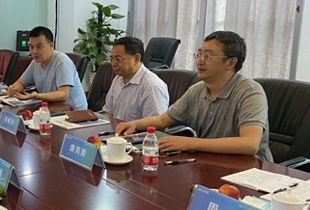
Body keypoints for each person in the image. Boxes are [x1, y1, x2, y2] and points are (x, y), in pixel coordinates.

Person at [116, 31, 273, 161]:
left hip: (250, 171)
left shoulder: (250, 92)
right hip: (210, 162)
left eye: (208, 56)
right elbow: (163, 120)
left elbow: (249, 144)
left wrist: (190, 143)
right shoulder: (197, 90)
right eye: (198, 54)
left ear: (230, 63)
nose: (199, 61)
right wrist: (135, 124)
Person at [6, 26, 88, 110]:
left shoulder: (62, 62)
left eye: (39, 47)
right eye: (31, 47)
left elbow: (63, 94)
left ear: (51, 46)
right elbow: (21, 83)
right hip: (52, 107)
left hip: (74, 111)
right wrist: (14, 89)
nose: (34, 51)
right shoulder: (35, 63)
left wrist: (36, 96)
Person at [103, 36, 169, 121]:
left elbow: (155, 125)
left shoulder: (152, 86)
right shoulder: (118, 79)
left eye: (118, 59)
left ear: (136, 58)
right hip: (115, 128)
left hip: (137, 130)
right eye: (111, 59)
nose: (113, 64)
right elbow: (109, 112)